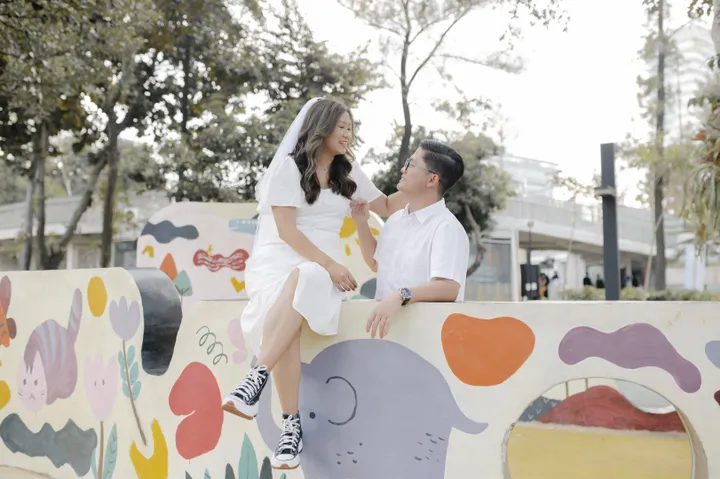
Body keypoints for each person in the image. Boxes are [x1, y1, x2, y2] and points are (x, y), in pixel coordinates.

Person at [221, 97, 406, 470]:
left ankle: (256, 380)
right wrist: (331, 265)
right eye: (342, 127)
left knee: (305, 280)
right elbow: (287, 232)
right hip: (280, 260)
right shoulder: (288, 169)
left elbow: (385, 206)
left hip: (320, 269)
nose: (348, 134)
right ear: (321, 127)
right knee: (290, 313)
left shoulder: (348, 171)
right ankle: (290, 428)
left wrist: (428, 187)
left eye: (351, 128)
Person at [350, 139, 469, 339]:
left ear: (432, 180)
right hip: (387, 333)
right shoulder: (396, 219)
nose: (403, 170)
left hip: (425, 338)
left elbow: (448, 288)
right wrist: (361, 223)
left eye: (410, 165)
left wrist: (401, 295)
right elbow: (376, 264)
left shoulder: (446, 227)